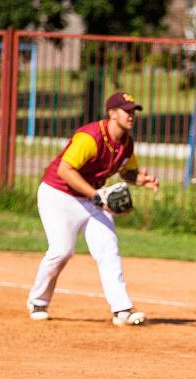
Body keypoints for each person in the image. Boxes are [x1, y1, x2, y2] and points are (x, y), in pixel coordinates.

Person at [26, 92, 159, 326]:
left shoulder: (126, 142)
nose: (131, 115)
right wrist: (96, 195)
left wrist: (142, 180)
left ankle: (122, 309)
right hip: (59, 195)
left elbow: (127, 171)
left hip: (93, 198)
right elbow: (65, 170)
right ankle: (38, 301)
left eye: (133, 111)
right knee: (61, 251)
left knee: (108, 249)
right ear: (112, 113)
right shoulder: (90, 137)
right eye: (126, 111)